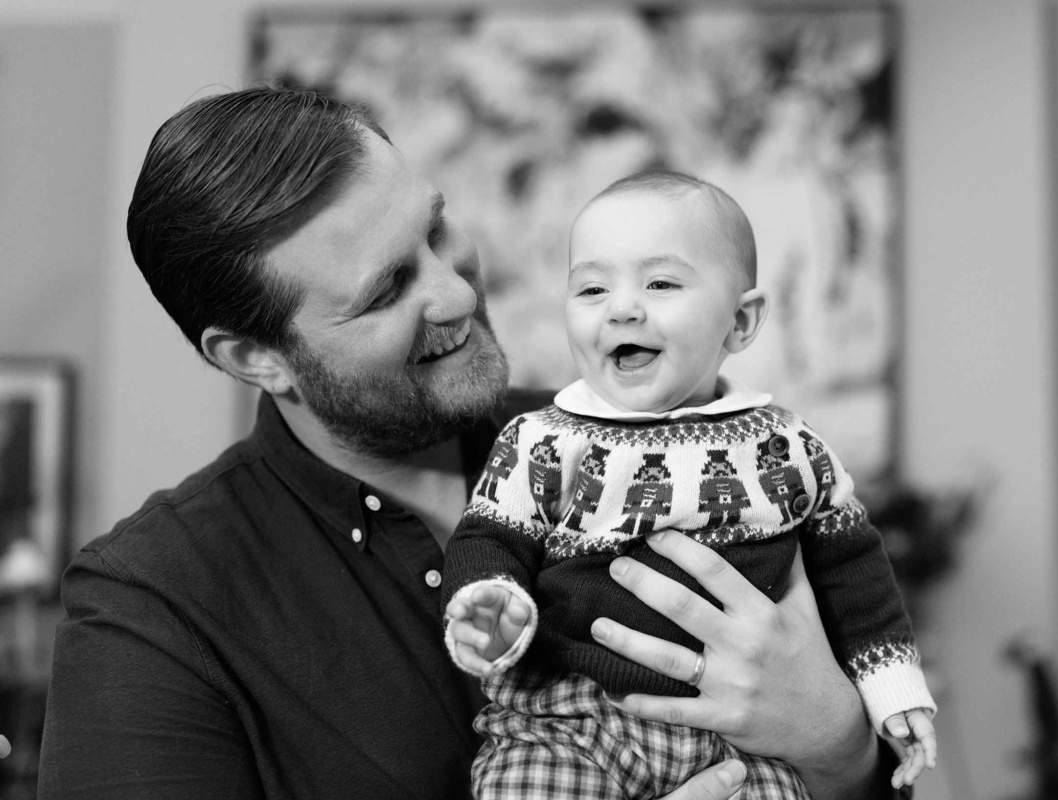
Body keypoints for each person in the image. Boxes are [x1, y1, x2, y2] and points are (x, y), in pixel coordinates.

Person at [37, 85, 908, 800]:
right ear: (256, 357)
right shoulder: (152, 606)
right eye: (386, 291)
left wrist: (839, 747)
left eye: (436, 229)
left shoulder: (636, 446)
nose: (454, 291)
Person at [442, 170, 936, 798]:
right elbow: (491, 534)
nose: (621, 307)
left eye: (660, 282)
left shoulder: (785, 445)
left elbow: (853, 568)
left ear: (741, 321)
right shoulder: (542, 439)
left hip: (749, 742)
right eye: (591, 288)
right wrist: (492, 600)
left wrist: (891, 686)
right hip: (575, 716)